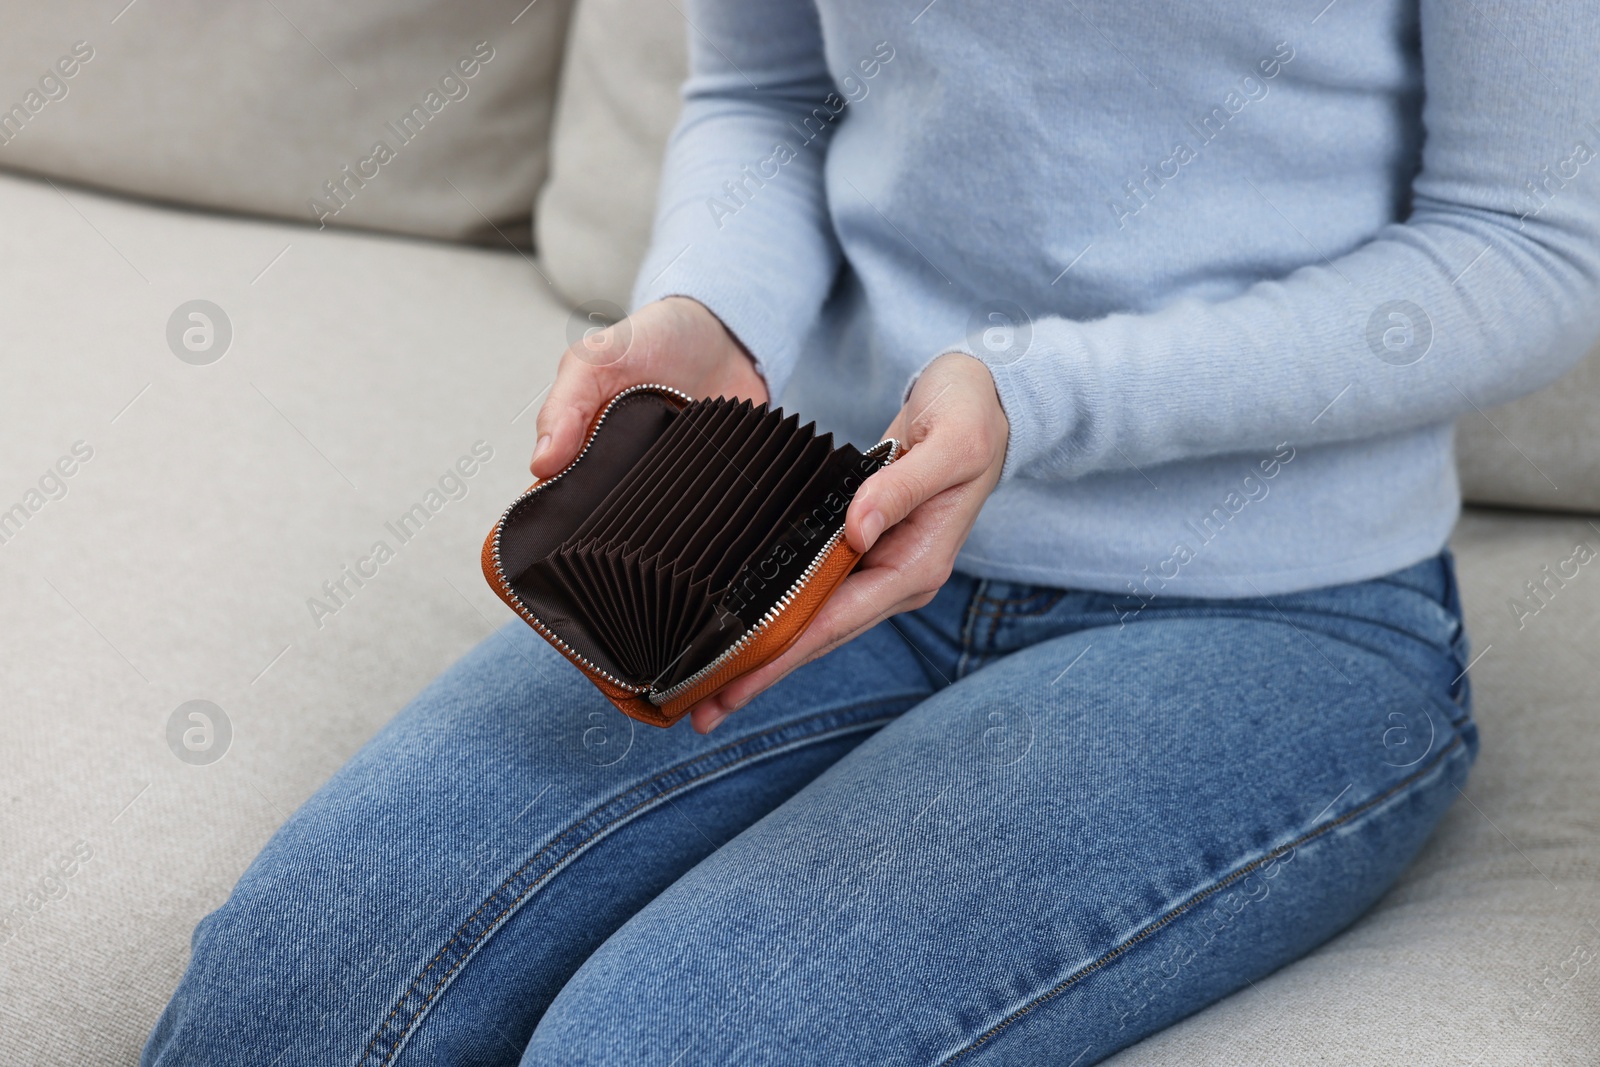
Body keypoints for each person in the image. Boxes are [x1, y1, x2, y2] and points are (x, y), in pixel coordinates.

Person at [144, 1, 1600, 1064]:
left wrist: (1038, 399)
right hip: (812, 540)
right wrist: (709, 309)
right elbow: (772, 93)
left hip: (1268, 612)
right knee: (279, 1005)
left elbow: (1536, 243)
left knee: (655, 1049)